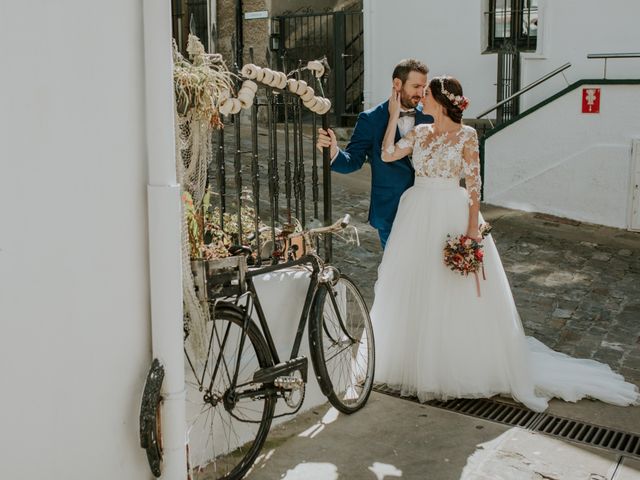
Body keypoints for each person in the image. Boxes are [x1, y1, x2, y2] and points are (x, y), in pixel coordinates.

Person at [370, 75, 639, 412]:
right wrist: (393, 116)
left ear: (440, 100)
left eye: (426, 94)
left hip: (451, 214)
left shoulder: (466, 135)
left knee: (454, 288)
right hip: (417, 212)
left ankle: (456, 362)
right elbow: (387, 154)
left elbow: (474, 186)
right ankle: (412, 357)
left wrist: (471, 229)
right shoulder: (420, 132)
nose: (420, 99)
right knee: (418, 283)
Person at [316, 58, 432, 248]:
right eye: (416, 86)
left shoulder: (429, 115)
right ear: (397, 84)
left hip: (428, 206)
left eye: (424, 87)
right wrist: (333, 151)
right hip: (390, 210)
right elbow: (353, 161)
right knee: (394, 269)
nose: (420, 93)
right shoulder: (370, 119)